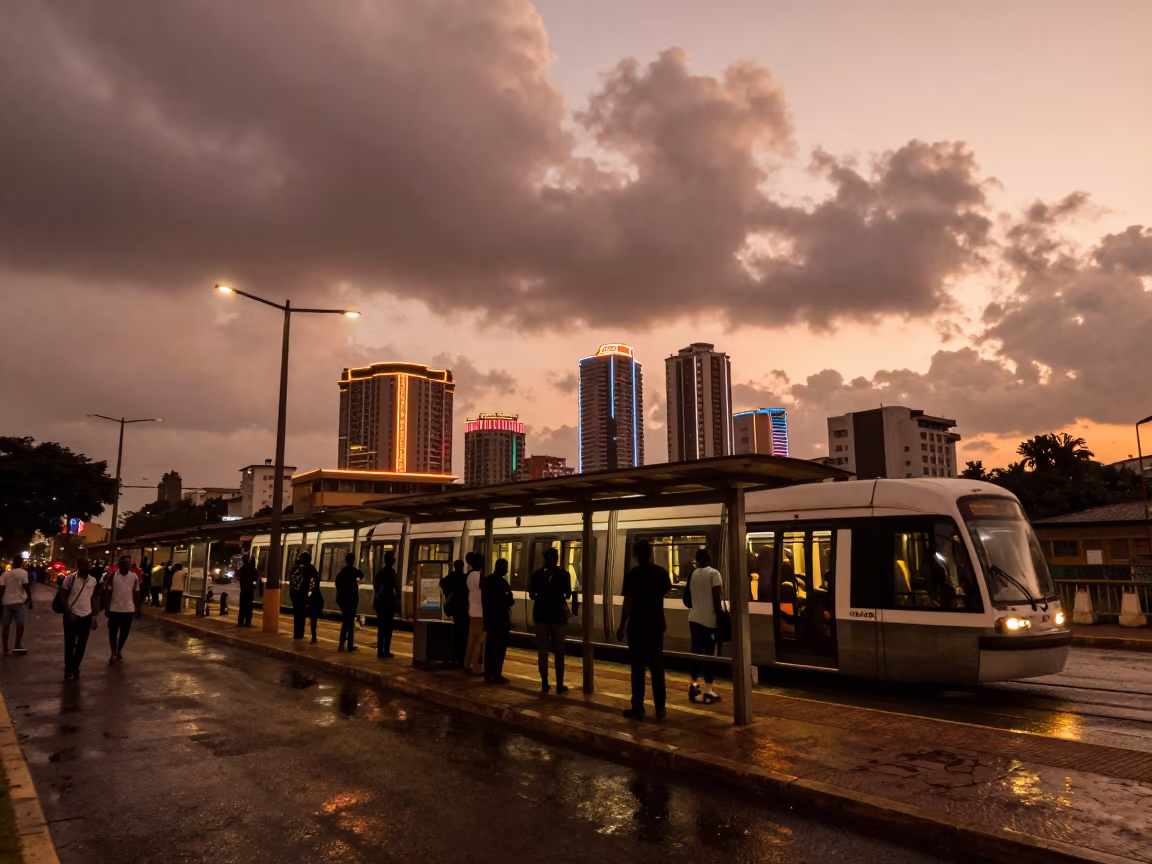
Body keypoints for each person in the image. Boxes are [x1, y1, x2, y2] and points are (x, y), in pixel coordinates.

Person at [616, 540, 672, 720]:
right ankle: (660, 708)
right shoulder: (661, 573)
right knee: (657, 668)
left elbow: (629, 602)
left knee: (638, 669)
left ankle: (638, 707)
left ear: (635, 555)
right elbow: (665, 591)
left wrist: (621, 625)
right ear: (650, 553)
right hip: (656, 624)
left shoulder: (634, 574)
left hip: (638, 626)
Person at [529, 548, 572, 694]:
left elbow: (532, 595)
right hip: (558, 616)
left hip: (541, 615)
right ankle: (560, 685)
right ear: (557, 559)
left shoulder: (537, 575)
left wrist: (543, 595)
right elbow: (567, 594)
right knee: (559, 650)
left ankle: (545, 683)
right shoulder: (564, 575)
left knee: (542, 649)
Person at [686, 548, 723, 704]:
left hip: (694, 619)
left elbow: (687, 599)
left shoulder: (693, 574)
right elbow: (717, 598)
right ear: (710, 558)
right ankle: (708, 690)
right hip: (709, 621)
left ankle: (694, 685)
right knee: (710, 656)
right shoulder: (714, 574)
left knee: (696, 653)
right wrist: (720, 615)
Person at [60, 558, 98, 680]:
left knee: (82, 643)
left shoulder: (93, 581)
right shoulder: (70, 579)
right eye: (83, 565)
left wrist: (94, 617)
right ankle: (68, 669)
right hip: (71, 616)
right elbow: (62, 597)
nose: (86, 567)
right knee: (70, 644)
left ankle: (76, 667)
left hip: (86, 616)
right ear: (78, 566)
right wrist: (69, 613)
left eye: (87, 565)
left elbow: (93, 598)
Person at [481, 558, 514, 684]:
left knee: (489, 647)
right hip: (501, 620)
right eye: (505, 567)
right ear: (500, 568)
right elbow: (509, 601)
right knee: (500, 648)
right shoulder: (503, 583)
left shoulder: (486, 581)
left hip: (489, 619)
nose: (506, 570)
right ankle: (497, 674)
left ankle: (488, 673)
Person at [103, 555, 141, 665]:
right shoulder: (112, 576)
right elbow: (107, 592)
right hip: (114, 609)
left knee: (125, 632)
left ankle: (119, 650)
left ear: (129, 565)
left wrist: (137, 608)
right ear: (119, 566)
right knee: (113, 632)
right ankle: (113, 652)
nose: (125, 565)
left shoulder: (134, 577)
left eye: (127, 563)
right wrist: (107, 607)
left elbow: (137, 592)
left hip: (128, 610)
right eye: (123, 563)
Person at [439, 559, 470, 668]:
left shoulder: (451, 577)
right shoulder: (464, 578)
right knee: (463, 635)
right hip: (464, 609)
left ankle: (455, 657)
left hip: (455, 609)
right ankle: (461, 658)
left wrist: (448, 593)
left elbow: (442, 583)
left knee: (457, 634)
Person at [373, 551, 400, 658]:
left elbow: (376, 586)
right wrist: (398, 599)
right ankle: (386, 650)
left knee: (381, 628)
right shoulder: (392, 573)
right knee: (388, 628)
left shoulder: (380, 572)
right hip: (389, 603)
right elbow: (397, 587)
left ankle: (380, 651)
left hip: (380, 603)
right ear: (392, 561)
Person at [1, 561, 32, 655]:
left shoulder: (5, 574)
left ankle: (5, 647)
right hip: (19, 602)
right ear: (21, 564)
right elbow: (26, 587)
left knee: (5, 625)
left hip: (7, 602)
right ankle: (17, 645)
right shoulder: (24, 573)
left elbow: (1, 588)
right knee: (20, 624)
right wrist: (30, 600)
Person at [289, 552, 321, 642]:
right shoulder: (313, 570)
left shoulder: (299, 570)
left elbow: (295, 584)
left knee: (298, 616)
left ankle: (298, 634)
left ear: (302, 560)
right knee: (311, 617)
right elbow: (315, 584)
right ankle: (312, 636)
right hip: (309, 597)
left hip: (299, 597)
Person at [335, 553, 363, 652]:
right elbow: (361, 576)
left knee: (346, 621)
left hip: (343, 600)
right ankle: (348, 644)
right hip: (352, 599)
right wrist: (357, 581)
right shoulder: (354, 571)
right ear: (353, 560)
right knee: (350, 622)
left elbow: (337, 583)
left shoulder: (342, 572)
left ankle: (342, 643)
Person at [463, 553, 486, 675]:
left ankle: (467, 664)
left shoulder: (470, 575)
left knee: (472, 640)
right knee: (479, 641)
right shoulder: (479, 576)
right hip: (481, 612)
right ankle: (476, 666)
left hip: (473, 611)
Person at [236, 554, 258, 627]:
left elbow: (239, 577)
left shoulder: (242, 569)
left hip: (243, 590)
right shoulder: (252, 569)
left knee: (242, 606)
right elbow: (255, 578)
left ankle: (240, 621)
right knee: (249, 606)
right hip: (249, 590)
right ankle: (248, 622)